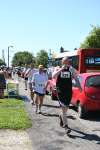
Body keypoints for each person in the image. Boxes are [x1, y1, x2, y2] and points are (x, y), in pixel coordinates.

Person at [52, 56, 82, 134]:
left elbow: (76, 78)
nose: (66, 63)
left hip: (68, 92)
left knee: (65, 110)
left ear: (69, 62)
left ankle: (61, 117)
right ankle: (66, 127)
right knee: (64, 110)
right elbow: (53, 76)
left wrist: (79, 87)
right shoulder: (57, 68)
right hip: (60, 91)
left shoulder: (71, 69)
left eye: (67, 62)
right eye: (64, 61)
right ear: (62, 62)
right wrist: (61, 69)